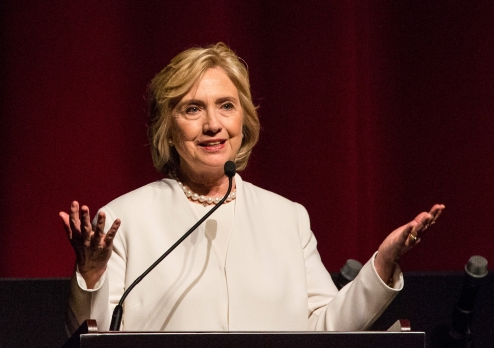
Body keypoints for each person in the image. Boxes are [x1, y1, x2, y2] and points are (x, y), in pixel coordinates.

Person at [61, 43, 444, 333]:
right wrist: (91, 274)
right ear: (168, 129)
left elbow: (325, 332)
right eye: (193, 109)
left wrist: (382, 264)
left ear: (244, 118)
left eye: (226, 105)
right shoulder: (124, 219)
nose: (213, 124)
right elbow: (94, 338)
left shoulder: (286, 218)